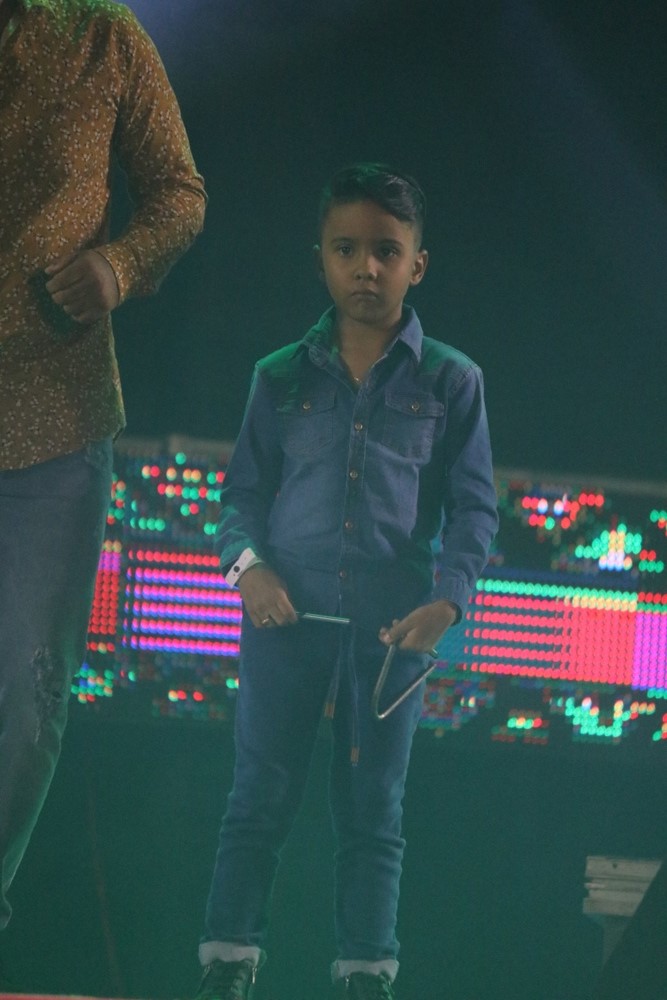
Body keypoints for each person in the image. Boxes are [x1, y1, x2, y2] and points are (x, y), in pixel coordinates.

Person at [197, 162, 497, 1000]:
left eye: (385, 251)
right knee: (257, 799)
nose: (366, 267)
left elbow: (475, 509)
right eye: (346, 249)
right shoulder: (278, 376)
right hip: (285, 621)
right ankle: (227, 966)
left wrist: (447, 602)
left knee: (373, 813)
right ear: (321, 259)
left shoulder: (451, 381)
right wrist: (249, 571)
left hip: (391, 634)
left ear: (416, 264)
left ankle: (367, 975)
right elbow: (239, 500)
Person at [0, 0, 206, 962]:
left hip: (55, 418)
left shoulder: (103, 34)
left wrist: (119, 266)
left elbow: (179, 193)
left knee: (28, 693)